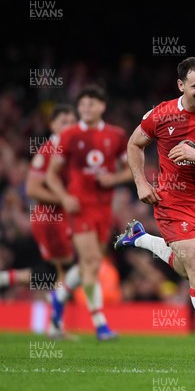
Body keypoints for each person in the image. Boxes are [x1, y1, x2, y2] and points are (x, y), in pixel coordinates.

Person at [114, 56, 195, 361]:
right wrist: (140, 183)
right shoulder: (161, 114)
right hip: (171, 201)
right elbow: (135, 144)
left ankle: (141, 239)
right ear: (181, 85)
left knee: (189, 271)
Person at [45, 85, 133, 341]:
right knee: (93, 260)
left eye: (91, 103)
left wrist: (113, 178)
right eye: (82, 104)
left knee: (89, 264)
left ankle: (58, 299)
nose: (86, 108)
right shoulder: (70, 135)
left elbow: (130, 171)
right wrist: (64, 198)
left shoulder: (116, 135)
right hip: (80, 207)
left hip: (104, 209)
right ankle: (100, 323)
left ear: (102, 106)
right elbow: (51, 175)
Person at [0, 104, 81, 339]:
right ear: (52, 125)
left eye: (71, 121)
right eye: (63, 121)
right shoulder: (49, 150)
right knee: (67, 269)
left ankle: (5, 278)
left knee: (51, 273)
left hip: (57, 219)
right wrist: (64, 199)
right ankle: (55, 327)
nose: (68, 125)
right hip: (50, 219)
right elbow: (33, 189)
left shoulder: (68, 150)